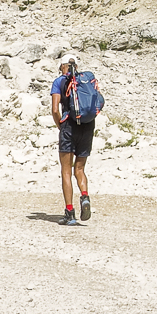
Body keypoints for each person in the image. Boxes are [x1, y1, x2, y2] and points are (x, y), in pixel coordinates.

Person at [50, 55, 102, 226]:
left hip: (68, 127)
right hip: (87, 126)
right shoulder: (85, 80)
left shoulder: (59, 82)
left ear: (63, 66)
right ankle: (85, 196)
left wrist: (60, 126)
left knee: (66, 171)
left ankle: (70, 212)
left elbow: (55, 109)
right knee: (79, 169)